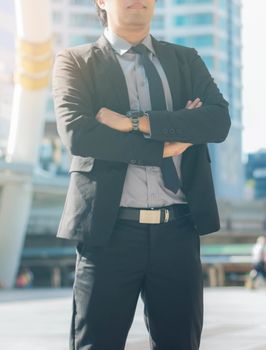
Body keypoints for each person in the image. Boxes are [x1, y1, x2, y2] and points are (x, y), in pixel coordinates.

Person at [52, 0, 231, 349]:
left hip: (178, 232)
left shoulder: (185, 59)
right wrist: (164, 144)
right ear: (101, 1)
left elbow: (217, 121)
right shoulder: (76, 61)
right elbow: (79, 133)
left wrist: (133, 122)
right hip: (107, 235)